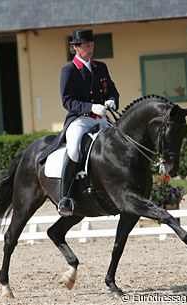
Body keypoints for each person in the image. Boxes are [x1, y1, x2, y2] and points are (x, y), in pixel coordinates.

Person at [58, 28, 119, 216]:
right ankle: (64, 198)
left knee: (119, 144)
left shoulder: (101, 67)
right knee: (74, 150)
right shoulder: (69, 70)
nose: (90, 48)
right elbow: (67, 101)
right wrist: (90, 108)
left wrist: (111, 100)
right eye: (86, 45)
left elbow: (112, 89)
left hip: (101, 118)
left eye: (92, 45)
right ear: (76, 48)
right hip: (79, 120)